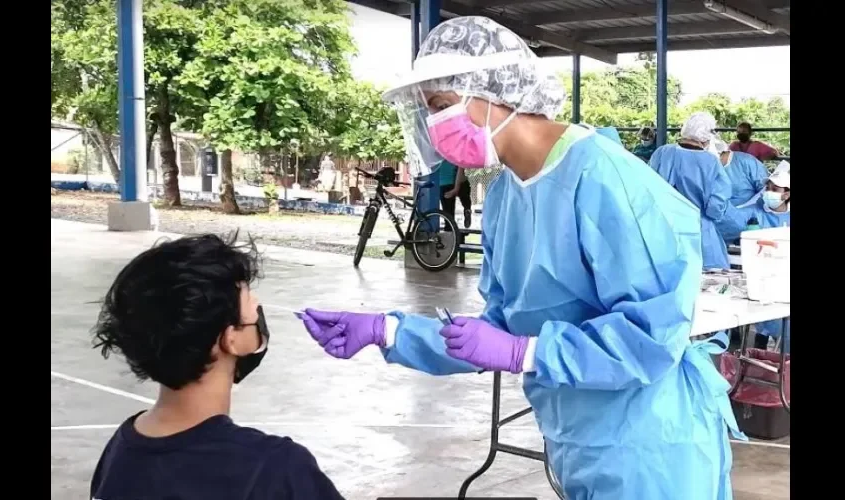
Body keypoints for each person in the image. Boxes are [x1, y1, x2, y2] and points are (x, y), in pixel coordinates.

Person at [297, 16, 742, 500]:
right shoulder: (508, 196)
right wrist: (388, 331)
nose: (435, 126)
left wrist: (525, 352)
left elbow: (650, 339)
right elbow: (498, 328)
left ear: (491, 92)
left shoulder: (609, 181)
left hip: (651, 441)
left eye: (442, 106)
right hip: (575, 433)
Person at [90, 233, 344, 500]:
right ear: (229, 338)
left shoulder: (120, 452)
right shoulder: (273, 471)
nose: (258, 310)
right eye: (251, 307)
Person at [649, 112, 734, 270]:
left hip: (663, 226)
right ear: (707, 138)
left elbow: (647, 187)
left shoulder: (662, 153)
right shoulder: (710, 163)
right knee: (709, 276)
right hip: (698, 230)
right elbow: (715, 207)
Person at [721, 164, 790, 352]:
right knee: (760, 315)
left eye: (775, 189)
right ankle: (758, 346)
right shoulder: (754, 211)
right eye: (767, 188)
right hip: (756, 274)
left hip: (784, 276)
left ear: (786, 194)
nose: (768, 192)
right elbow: (729, 221)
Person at [438, 159, 473, 228]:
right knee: (464, 184)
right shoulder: (455, 152)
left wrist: (456, 189)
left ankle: (450, 228)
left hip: (445, 183)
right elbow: (460, 170)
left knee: (449, 217)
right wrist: (456, 188)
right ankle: (467, 208)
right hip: (453, 182)